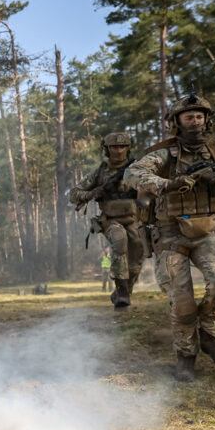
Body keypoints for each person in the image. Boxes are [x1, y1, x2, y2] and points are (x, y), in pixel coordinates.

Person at [125, 93, 215, 382]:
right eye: (188, 117)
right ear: (177, 122)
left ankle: (210, 335)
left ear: (207, 120)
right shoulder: (164, 154)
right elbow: (132, 174)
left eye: (199, 116)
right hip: (169, 234)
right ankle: (186, 357)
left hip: (207, 231)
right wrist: (168, 184)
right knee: (183, 303)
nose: (195, 121)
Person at [69, 131, 147, 307]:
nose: (118, 150)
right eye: (114, 147)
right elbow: (74, 194)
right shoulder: (100, 173)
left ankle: (126, 288)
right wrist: (92, 193)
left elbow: (153, 188)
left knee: (139, 254)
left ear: (127, 148)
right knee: (120, 241)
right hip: (110, 220)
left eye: (122, 147)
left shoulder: (137, 170)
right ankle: (122, 291)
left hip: (135, 219)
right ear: (107, 149)